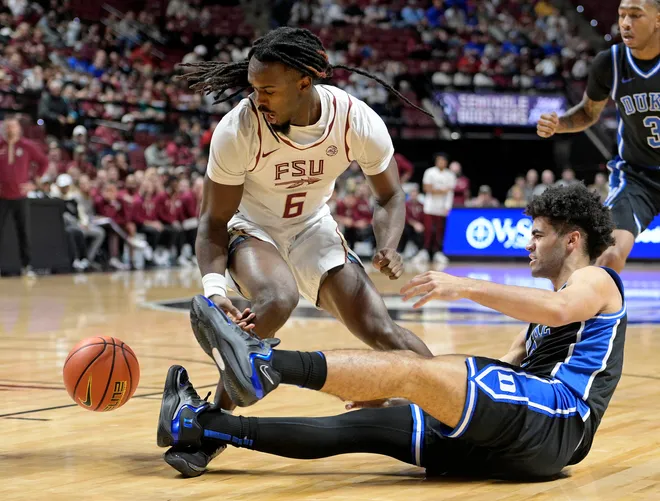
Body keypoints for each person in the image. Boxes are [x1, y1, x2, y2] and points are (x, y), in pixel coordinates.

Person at [158, 184, 626, 480]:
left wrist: (462, 284)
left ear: (572, 240)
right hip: (520, 435)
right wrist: (392, 390)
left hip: (560, 419)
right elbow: (508, 367)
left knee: (412, 370)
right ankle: (203, 426)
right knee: (359, 428)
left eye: (539, 234)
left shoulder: (596, 281)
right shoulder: (544, 312)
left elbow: (561, 309)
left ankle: (261, 363)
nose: (529, 242)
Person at [167, 27, 433, 475]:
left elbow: (390, 196)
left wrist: (387, 245)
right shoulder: (239, 128)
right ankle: (213, 426)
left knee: (381, 331)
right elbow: (212, 222)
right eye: (253, 88)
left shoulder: (354, 119)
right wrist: (215, 288)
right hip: (250, 226)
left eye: (267, 89)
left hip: (312, 226)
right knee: (277, 297)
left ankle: (463, 406)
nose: (257, 98)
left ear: (304, 82)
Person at [537, 0, 660, 272]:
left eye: (635, 16)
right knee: (609, 255)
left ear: (658, 20)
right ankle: (595, 314)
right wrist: (560, 124)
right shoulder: (611, 62)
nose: (625, 23)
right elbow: (587, 113)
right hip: (638, 177)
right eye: (622, 15)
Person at [0, 116, 48, 276]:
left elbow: (44, 162)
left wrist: (34, 183)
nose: (9, 130)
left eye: (12, 127)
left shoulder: (27, 146)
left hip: (20, 196)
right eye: (7, 127)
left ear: (18, 129)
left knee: (24, 232)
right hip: (2, 196)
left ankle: (26, 266)